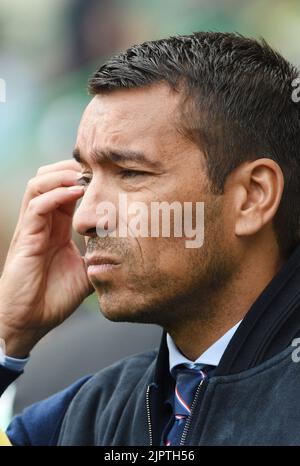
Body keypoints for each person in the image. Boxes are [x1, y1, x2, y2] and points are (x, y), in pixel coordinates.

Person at [0, 31, 300, 446]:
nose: (85, 216)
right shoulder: (85, 415)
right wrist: (7, 333)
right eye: (86, 178)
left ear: (252, 196)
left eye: (130, 174)